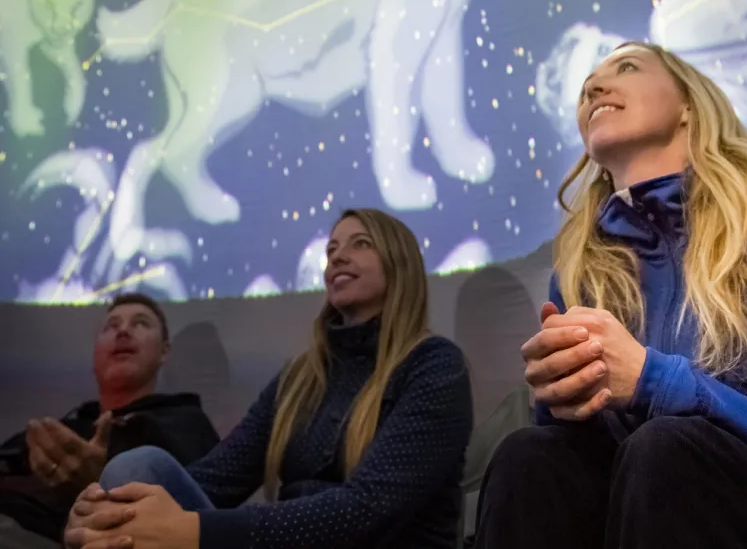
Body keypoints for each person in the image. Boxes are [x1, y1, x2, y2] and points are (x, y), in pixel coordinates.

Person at [474, 42, 747, 548]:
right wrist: (560, 400)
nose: (594, 88)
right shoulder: (583, 271)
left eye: (625, 67)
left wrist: (658, 382)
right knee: (528, 458)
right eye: (587, 86)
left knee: (664, 448)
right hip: (641, 508)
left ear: (689, 103)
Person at [64, 208, 474, 549]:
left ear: (400, 263)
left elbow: (368, 510)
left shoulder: (434, 366)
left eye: (360, 244)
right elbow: (215, 479)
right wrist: (103, 509)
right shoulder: (299, 380)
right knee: (137, 469)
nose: (338, 257)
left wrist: (194, 532)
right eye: (331, 250)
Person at [0, 293, 220, 545]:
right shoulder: (61, 430)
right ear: (95, 352)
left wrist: (99, 482)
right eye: (111, 327)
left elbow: (203, 519)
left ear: (165, 351)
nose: (123, 332)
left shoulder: (187, 424)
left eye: (140, 323)